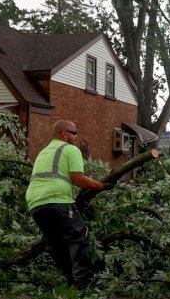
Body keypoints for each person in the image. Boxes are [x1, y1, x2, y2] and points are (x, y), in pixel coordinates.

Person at [26, 120, 114, 288]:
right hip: (58, 200)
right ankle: (83, 285)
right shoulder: (70, 149)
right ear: (64, 134)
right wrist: (101, 186)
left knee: (56, 244)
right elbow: (78, 178)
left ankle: (70, 282)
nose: (77, 136)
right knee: (78, 238)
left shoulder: (44, 152)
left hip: (36, 204)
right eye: (74, 133)